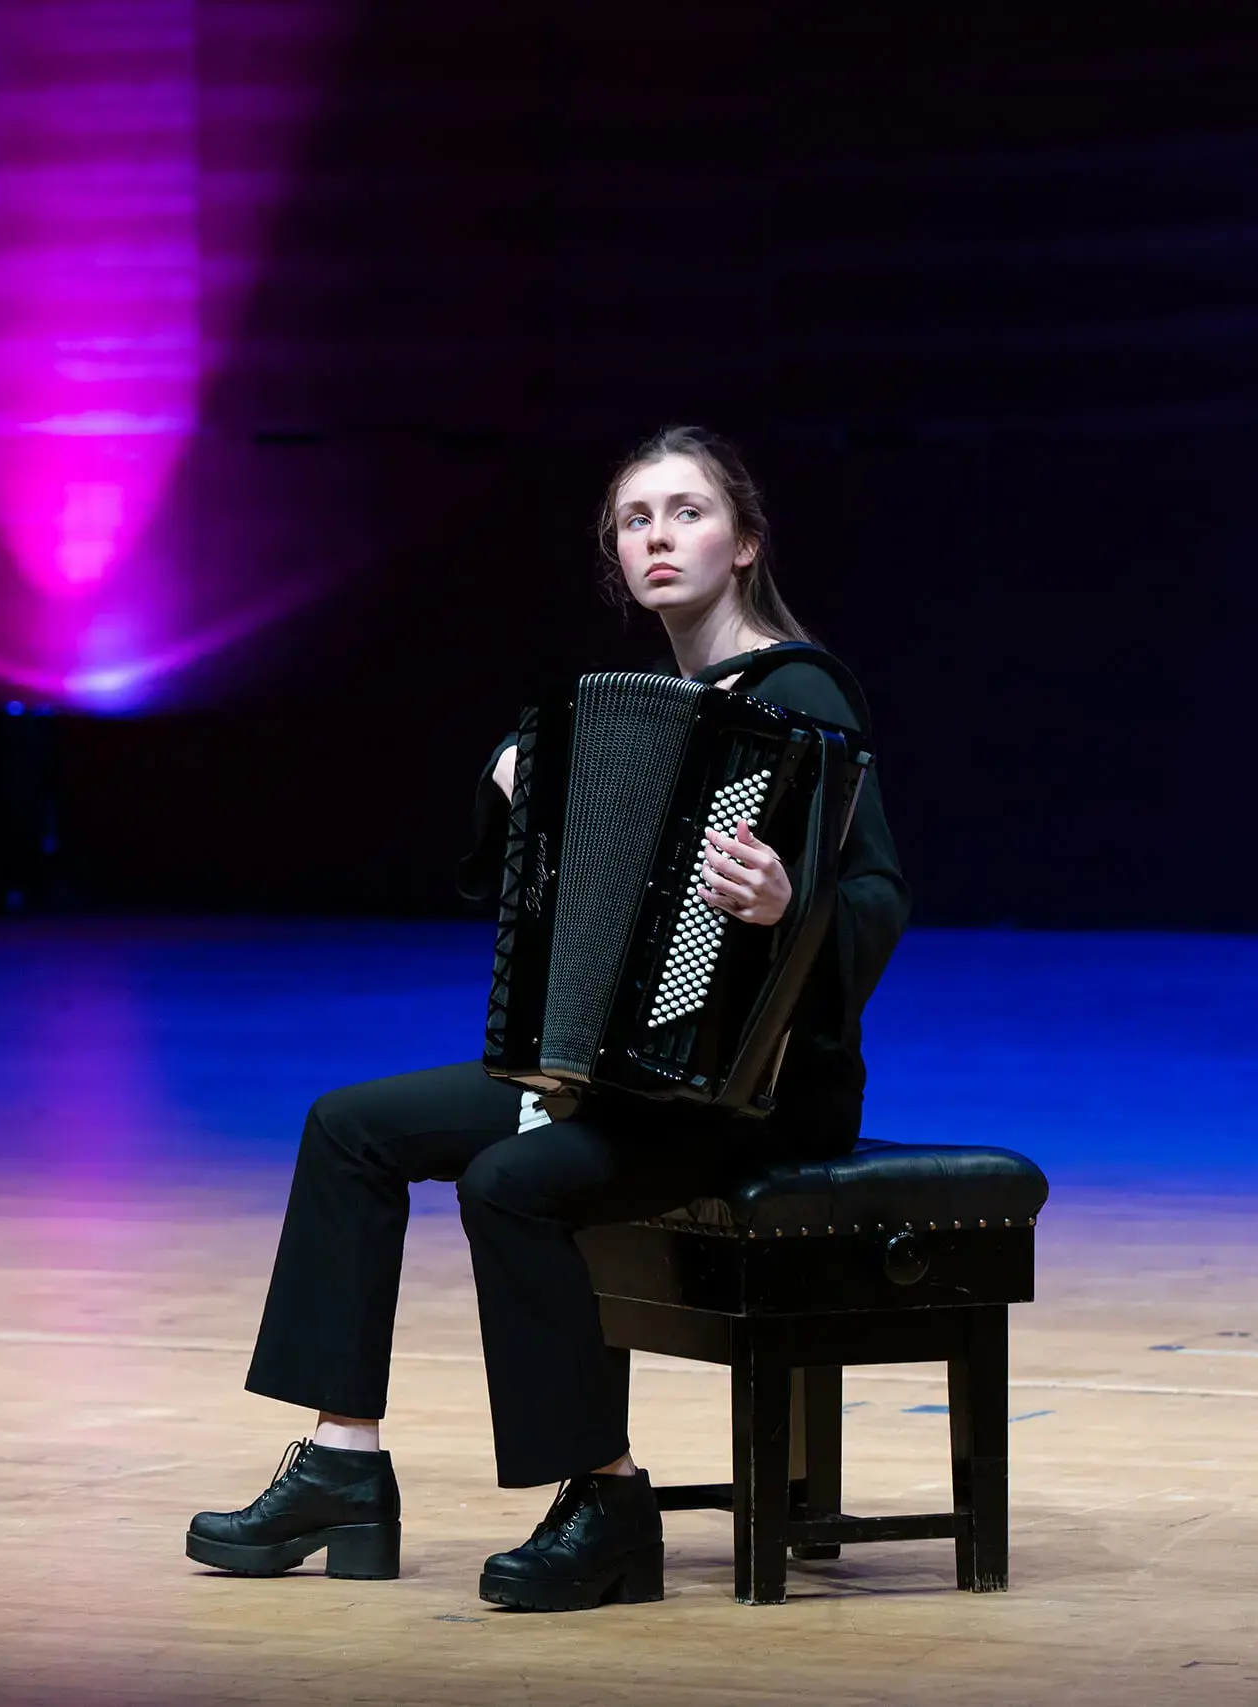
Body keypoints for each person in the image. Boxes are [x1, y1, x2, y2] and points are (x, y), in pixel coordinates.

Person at [184, 425, 908, 1610]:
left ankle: (606, 1497)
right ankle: (342, 1463)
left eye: (686, 512)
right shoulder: (645, 708)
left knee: (509, 1185)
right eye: (635, 519)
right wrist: (517, 781)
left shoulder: (800, 691)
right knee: (346, 1127)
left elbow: (878, 893)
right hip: (616, 1072)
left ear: (744, 544)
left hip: (749, 1091)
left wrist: (792, 904)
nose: (658, 537)